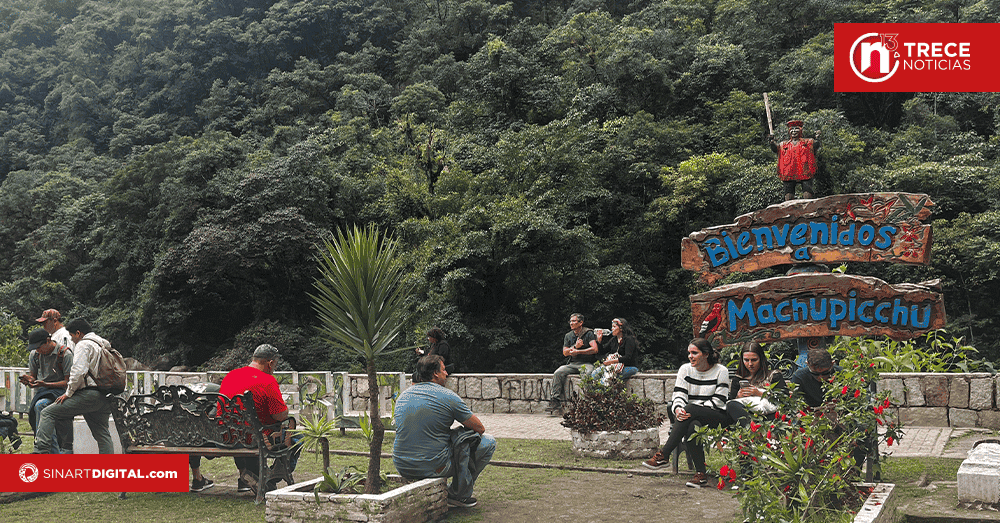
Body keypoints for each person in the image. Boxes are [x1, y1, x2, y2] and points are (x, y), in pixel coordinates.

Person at [189, 344, 300, 493]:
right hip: (255, 438)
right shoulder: (267, 381)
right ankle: (270, 478)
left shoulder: (231, 376)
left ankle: (252, 477)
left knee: (246, 428)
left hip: (227, 436)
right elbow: (279, 415)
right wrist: (284, 409)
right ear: (270, 363)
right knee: (298, 438)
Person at [393, 354, 496, 508]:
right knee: (488, 442)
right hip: (433, 466)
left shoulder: (403, 396)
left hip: (402, 465)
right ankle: (458, 494)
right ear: (435, 373)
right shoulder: (448, 396)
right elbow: (480, 428)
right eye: (443, 370)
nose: (446, 373)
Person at [642, 338, 730, 488]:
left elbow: (719, 401)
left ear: (706, 354)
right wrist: (678, 410)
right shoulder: (685, 369)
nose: (690, 356)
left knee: (690, 409)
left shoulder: (721, 371)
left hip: (716, 416)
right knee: (692, 425)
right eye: (689, 353)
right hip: (692, 417)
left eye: (694, 353)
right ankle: (701, 475)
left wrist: (691, 410)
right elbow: (679, 395)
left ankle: (664, 455)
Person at [33, 318, 114, 454]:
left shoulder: (84, 345)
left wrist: (68, 393)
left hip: (88, 394)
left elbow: (78, 372)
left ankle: (41, 452)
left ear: (78, 333)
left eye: (72, 336)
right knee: (102, 434)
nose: (72, 340)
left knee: (47, 412)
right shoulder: (102, 343)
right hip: (103, 394)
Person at [20, 328, 74, 453]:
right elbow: (33, 375)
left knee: (41, 406)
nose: (37, 350)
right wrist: (29, 380)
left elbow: (69, 382)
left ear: (48, 341)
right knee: (38, 409)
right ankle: (49, 449)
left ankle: (43, 448)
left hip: (62, 392)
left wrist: (46, 383)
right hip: (43, 391)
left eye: (39, 347)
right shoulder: (35, 354)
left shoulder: (65, 354)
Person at [546, 313, 599, 414]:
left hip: (587, 363)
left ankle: (587, 401)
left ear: (581, 323)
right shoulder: (568, 335)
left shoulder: (588, 333)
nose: (571, 323)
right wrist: (575, 347)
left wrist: (579, 351)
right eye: (570, 321)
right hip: (573, 364)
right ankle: (555, 400)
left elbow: (595, 349)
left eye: (574, 321)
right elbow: (565, 353)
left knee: (587, 374)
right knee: (558, 372)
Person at [726, 343, 783, 427]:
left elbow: (783, 400)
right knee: (731, 406)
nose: (750, 364)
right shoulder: (737, 379)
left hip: (768, 416)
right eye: (746, 360)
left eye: (754, 360)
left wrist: (760, 394)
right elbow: (731, 404)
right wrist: (738, 397)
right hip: (745, 415)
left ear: (761, 359)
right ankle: (752, 428)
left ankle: (753, 429)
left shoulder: (774, 376)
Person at [770, 120, 821, 201]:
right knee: (788, 194)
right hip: (789, 172)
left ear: (800, 130)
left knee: (807, 192)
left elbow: (816, 145)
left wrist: (818, 138)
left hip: (805, 170)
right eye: (791, 129)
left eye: (796, 129)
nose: (793, 131)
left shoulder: (808, 142)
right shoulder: (783, 145)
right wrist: (772, 142)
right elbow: (775, 149)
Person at [591, 317, 640, 384]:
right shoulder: (613, 340)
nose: (612, 329)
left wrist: (611, 361)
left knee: (606, 377)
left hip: (629, 367)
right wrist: (599, 341)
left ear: (621, 328)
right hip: (614, 366)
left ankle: (603, 394)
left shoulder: (629, 339)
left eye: (614, 327)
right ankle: (598, 393)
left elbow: (628, 357)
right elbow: (602, 351)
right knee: (595, 373)